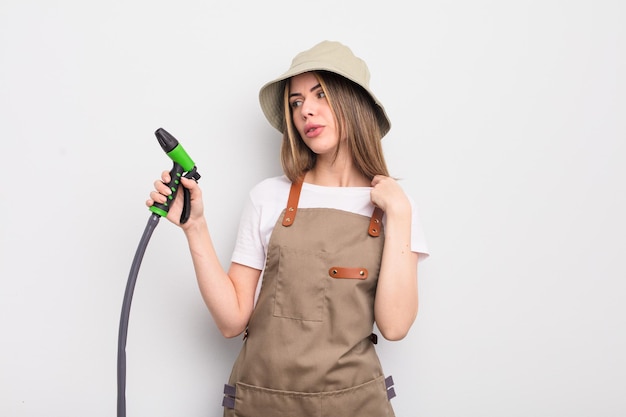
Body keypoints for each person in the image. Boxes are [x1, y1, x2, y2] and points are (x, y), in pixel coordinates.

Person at [147, 40, 429, 417]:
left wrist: (401, 213)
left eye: (320, 95)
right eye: (296, 103)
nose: (305, 111)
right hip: (263, 405)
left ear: (353, 103)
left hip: (353, 407)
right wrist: (194, 227)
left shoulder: (395, 206)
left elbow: (394, 326)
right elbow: (232, 321)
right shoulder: (269, 197)